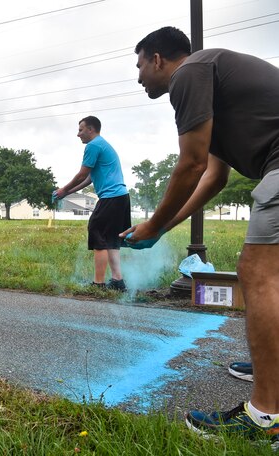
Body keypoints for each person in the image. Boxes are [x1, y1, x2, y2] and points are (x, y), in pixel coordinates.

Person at [125, 26, 279, 446]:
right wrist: (161, 230)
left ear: (157, 59)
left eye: (139, 65)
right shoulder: (212, 79)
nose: (138, 77)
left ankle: (267, 417)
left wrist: (153, 225)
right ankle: (274, 369)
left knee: (259, 273)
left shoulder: (190, 73)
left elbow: (190, 164)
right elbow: (213, 176)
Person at [54, 116, 131, 291]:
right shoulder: (102, 144)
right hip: (121, 198)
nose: (78, 134)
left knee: (98, 235)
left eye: (81, 130)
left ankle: (98, 283)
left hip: (111, 198)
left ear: (91, 129)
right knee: (111, 239)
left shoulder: (94, 145)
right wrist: (67, 191)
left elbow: (82, 174)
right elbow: (89, 178)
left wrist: (63, 189)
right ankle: (118, 282)